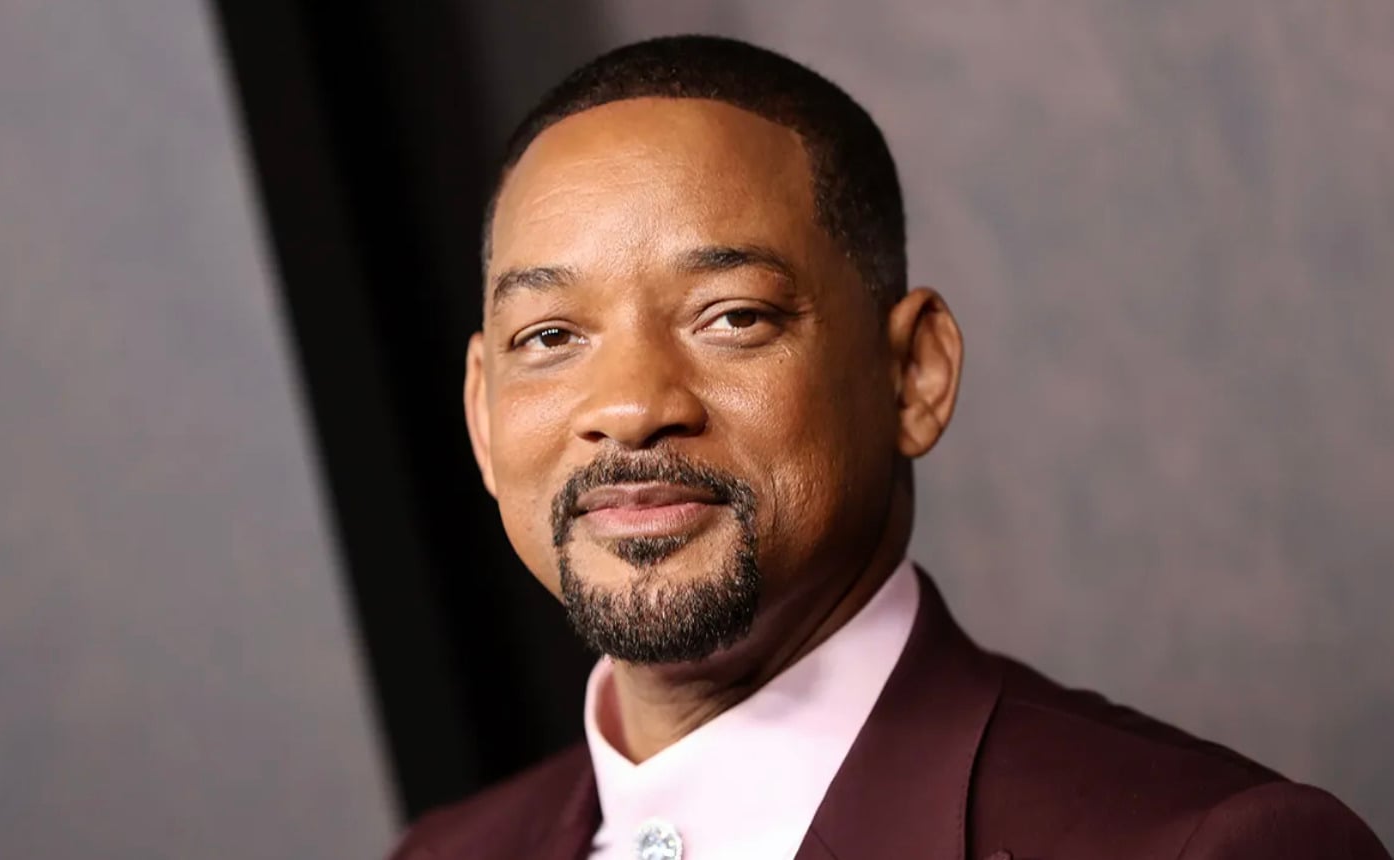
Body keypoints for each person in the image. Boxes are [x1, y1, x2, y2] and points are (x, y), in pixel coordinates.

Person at [389, 34, 1389, 860]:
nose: (630, 406)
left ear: (913, 373)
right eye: (550, 338)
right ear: (482, 415)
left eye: (730, 316)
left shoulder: (1207, 847)